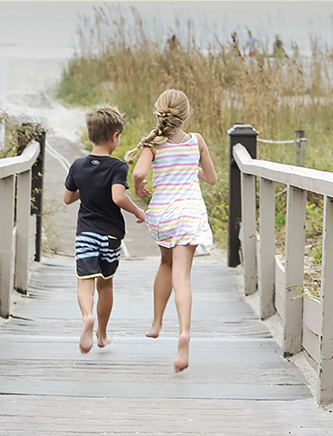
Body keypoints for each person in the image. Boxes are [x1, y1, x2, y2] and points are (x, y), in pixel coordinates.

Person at [127, 89, 217, 372]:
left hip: (164, 215)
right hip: (189, 214)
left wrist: (140, 188)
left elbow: (139, 174)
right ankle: (184, 333)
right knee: (183, 276)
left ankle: (156, 323)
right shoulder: (197, 141)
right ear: (186, 114)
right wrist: (193, 168)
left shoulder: (152, 143)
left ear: (159, 113)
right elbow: (211, 178)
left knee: (165, 263)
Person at [63, 105, 146, 354]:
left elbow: (68, 198)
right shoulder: (118, 167)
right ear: (114, 136)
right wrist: (139, 211)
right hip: (110, 235)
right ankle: (101, 334)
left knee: (84, 283)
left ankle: (87, 316)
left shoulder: (78, 166)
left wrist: (86, 190)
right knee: (105, 284)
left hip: (86, 233)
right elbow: (118, 197)